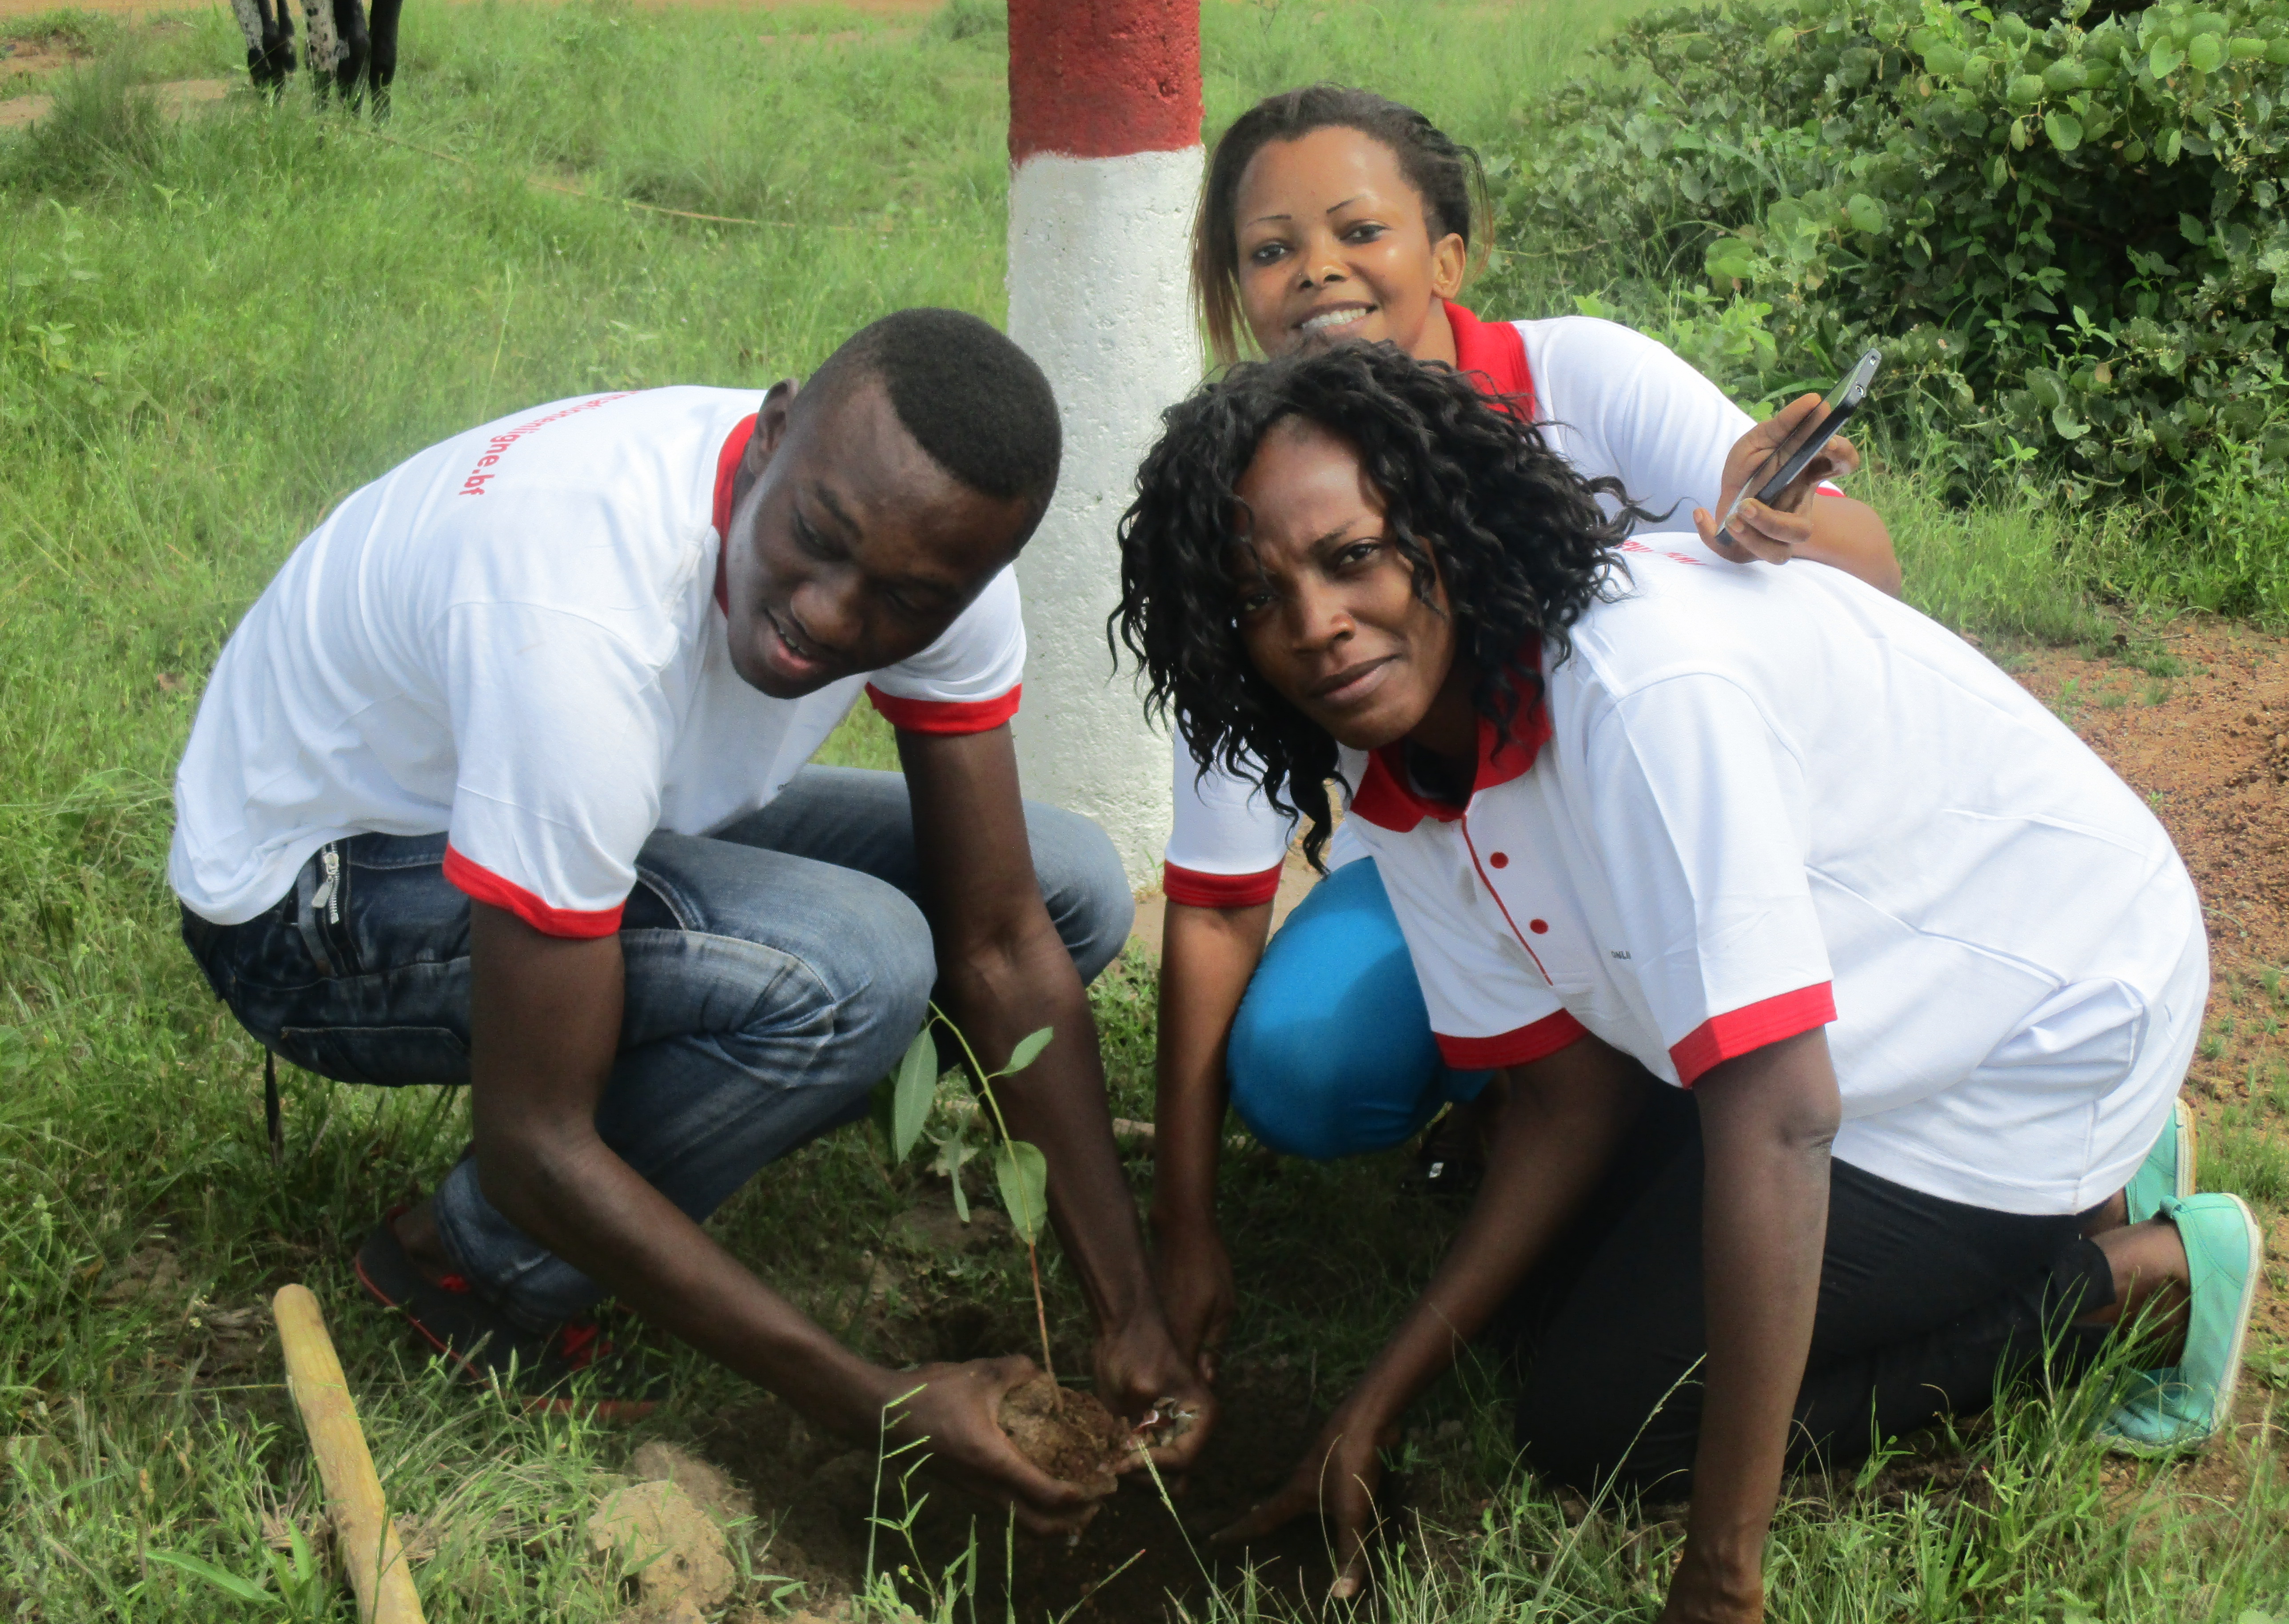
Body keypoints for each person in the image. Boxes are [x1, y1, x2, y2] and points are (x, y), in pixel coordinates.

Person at [1113, 341, 2260, 1619]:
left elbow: (1781, 1114)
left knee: (1607, 1425)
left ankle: (2127, 1276)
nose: (1316, 625)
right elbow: (1561, 1104)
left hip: (2035, 1028)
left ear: (1443, 529)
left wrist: (1721, 1577)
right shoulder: (1413, 757)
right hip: (1870, 997)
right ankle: (2076, 1214)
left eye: (1352, 557)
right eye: (1259, 598)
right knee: (1535, 1323)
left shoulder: (1639, 688)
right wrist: (1367, 1413)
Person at [171, 308, 1211, 1532]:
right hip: (313, 900)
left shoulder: (923, 555)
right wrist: (871, 1405)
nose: (831, 617)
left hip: (565, 802)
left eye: (903, 602)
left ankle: (732, 1087)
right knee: (859, 971)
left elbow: (1001, 940)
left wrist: (1129, 1313)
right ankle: (470, 1272)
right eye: (815, 545)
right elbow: (534, 1137)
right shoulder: (585, 612)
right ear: (770, 434)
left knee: (1069, 883)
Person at [1150, 84, 1908, 1384]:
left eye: (1358, 232)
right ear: (1233, 297)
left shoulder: (1581, 377)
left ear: (1450, 257)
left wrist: (1765, 523)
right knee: (1304, 1065)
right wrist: (1180, 1219)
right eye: (1272, 251)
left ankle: (1707, 1118)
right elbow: (1219, 900)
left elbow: (1869, 570)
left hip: (1680, 822)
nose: (1318, 272)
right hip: (1458, 875)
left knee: (1727, 1071)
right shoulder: (1239, 491)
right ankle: (1529, 1100)